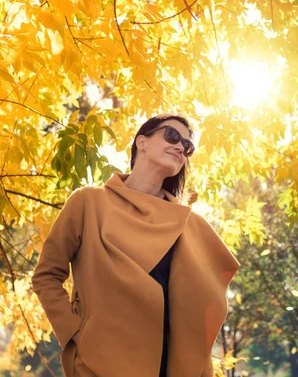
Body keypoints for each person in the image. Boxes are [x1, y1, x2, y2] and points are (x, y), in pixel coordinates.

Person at [32, 114, 240, 377]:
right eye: (172, 136)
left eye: (187, 147)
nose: (180, 148)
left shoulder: (189, 223)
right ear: (141, 142)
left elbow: (206, 304)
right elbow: (46, 275)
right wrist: (75, 333)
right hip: (101, 363)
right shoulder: (89, 202)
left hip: (173, 367)